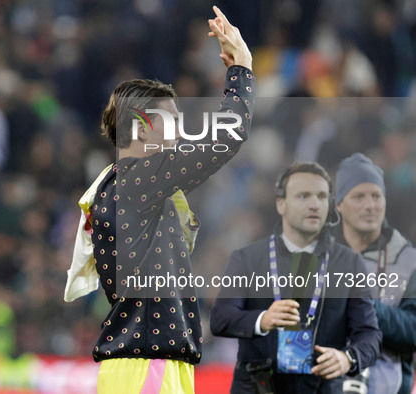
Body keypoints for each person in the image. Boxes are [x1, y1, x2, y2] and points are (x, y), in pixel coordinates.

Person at [64, 6, 255, 393]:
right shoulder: (139, 179)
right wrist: (242, 70)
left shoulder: (117, 184)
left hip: (140, 364)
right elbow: (229, 137)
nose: (180, 134)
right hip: (148, 363)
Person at [210, 161, 381, 393]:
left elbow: (369, 333)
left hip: (322, 387)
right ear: (281, 204)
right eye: (303, 196)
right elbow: (221, 318)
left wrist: (348, 358)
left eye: (322, 196)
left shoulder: (349, 263)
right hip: (258, 387)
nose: (314, 204)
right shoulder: (247, 258)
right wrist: (263, 319)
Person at [334, 152, 416, 394]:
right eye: (359, 196)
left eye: (376, 196)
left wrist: (364, 306)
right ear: (339, 204)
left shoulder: (408, 261)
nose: (370, 205)